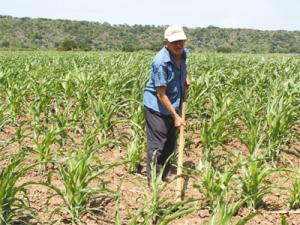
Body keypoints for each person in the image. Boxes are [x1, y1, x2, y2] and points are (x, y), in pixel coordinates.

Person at [143, 25, 190, 182]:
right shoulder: (160, 62)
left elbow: (184, 64)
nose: (178, 45)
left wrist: (185, 76)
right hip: (157, 106)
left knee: (170, 142)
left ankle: (164, 173)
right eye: (174, 42)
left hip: (174, 101)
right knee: (158, 144)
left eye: (181, 41)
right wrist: (176, 116)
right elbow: (160, 94)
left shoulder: (183, 53)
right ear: (165, 43)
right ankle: (154, 181)